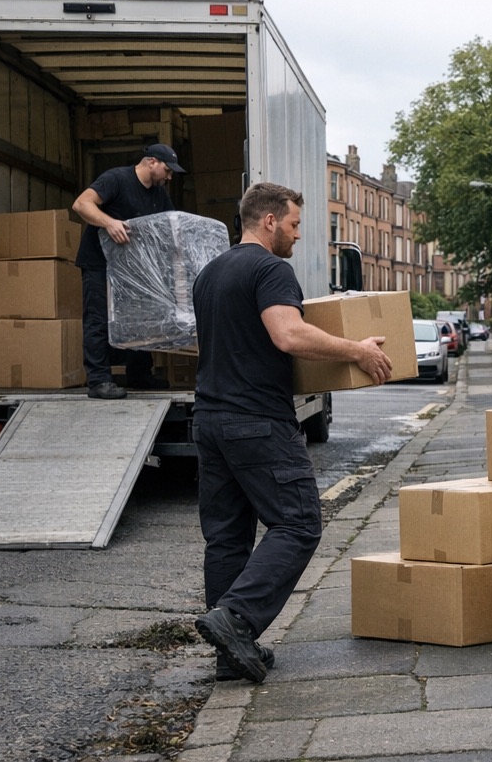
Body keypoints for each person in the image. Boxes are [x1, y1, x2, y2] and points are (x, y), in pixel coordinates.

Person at [191, 182, 392, 683]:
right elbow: (288, 333)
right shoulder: (269, 268)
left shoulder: (210, 273)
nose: (298, 235)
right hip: (257, 421)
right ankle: (236, 619)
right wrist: (357, 351)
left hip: (210, 419)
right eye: (295, 224)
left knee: (226, 538)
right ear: (268, 222)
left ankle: (231, 654)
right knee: (299, 523)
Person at [72, 144, 185, 399]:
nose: (169, 177)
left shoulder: (158, 194)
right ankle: (99, 380)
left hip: (132, 269)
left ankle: (139, 373)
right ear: (151, 162)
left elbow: (170, 226)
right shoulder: (117, 179)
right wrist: (109, 222)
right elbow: (81, 204)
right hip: (99, 263)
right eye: (167, 170)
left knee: (138, 319)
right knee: (98, 319)